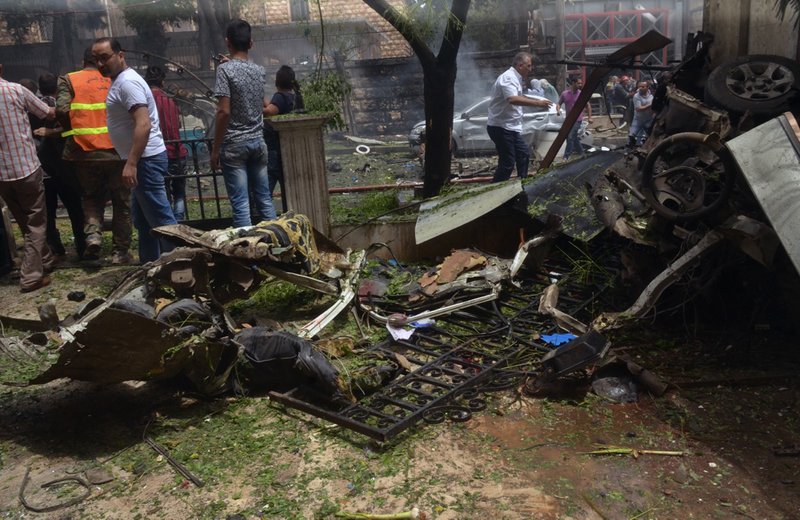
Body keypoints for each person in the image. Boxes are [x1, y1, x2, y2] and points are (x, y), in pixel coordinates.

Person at [91, 37, 177, 263]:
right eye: (96, 59)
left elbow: (143, 123)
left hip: (144, 161)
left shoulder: (127, 83)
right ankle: (149, 266)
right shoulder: (119, 81)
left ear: (120, 55)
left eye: (105, 57)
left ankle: (182, 268)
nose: (100, 63)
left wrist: (131, 163)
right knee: (144, 222)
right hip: (142, 160)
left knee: (163, 223)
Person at [56, 47, 131, 263]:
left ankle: (93, 237)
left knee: (91, 198)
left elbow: (61, 110)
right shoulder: (115, 78)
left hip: (83, 151)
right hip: (115, 151)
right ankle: (120, 252)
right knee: (121, 202)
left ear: (83, 61)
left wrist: (71, 131)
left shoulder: (69, 79)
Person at [211, 19, 277, 227]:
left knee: (241, 204)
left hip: (234, 146)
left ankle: (248, 257)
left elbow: (223, 112)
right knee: (265, 199)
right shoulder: (259, 71)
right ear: (251, 44)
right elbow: (258, 102)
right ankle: (279, 247)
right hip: (258, 142)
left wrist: (215, 149)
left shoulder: (224, 71)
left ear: (227, 42)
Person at [0, 63, 57, 292]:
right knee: (35, 223)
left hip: (2, 176)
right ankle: (31, 277)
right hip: (25, 168)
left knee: (25, 221)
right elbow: (47, 112)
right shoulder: (15, 90)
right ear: (1, 68)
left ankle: (46, 260)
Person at [31, 73, 86, 260]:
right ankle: (82, 246)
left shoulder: (32, 108)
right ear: (57, 88)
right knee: (75, 209)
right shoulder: (63, 107)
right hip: (65, 167)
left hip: (42, 169)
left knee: (48, 213)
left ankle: (56, 248)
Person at [486, 51, 552, 183]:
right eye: (528, 66)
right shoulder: (508, 77)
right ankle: (494, 191)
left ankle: (522, 183)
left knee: (523, 154)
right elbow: (512, 99)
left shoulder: (516, 78)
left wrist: (538, 103)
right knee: (508, 162)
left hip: (511, 127)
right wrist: (537, 103)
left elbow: (520, 97)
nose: (530, 69)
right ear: (520, 65)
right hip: (501, 127)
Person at [145, 65, 188, 221]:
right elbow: (177, 124)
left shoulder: (144, 100)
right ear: (162, 82)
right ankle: (180, 220)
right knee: (179, 192)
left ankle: (168, 224)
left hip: (156, 153)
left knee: (161, 192)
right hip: (177, 151)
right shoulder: (169, 100)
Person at [263, 64, 303, 211]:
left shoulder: (280, 97)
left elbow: (270, 112)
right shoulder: (292, 97)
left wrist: (252, 107)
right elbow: (274, 108)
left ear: (277, 82)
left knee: (265, 189)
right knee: (287, 188)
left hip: (274, 150)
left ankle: (265, 215)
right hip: (285, 150)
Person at [556, 77, 592, 161]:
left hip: (578, 119)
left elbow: (588, 106)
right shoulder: (565, 94)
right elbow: (559, 103)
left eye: (581, 83)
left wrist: (590, 117)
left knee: (570, 136)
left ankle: (566, 157)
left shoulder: (582, 94)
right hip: (568, 119)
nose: (580, 85)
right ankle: (582, 153)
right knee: (574, 137)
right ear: (573, 83)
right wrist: (558, 110)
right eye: (578, 83)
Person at [628, 80, 654, 147]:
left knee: (649, 136)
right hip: (638, 119)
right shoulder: (636, 96)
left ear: (647, 87)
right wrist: (650, 105)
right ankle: (629, 150)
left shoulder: (651, 95)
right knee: (631, 136)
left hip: (648, 119)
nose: (640, 88)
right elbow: (639, 108)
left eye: (643, 87)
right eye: (639, 87)